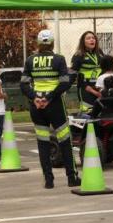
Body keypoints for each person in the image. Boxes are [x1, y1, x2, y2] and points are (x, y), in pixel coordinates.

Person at [21, 30, 80, 189]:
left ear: (38, 44)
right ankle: (71, 177)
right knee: (65, 140)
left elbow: (23, 84)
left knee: (43, 143)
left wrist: (36, 98)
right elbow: (65, 83)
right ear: (52, 43)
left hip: (36, 105)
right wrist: (49, 98)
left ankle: (48, 180)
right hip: (54, 104)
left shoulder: (30, 60)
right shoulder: (58, 59)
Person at [71, 31, 105, 113]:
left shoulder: (99, 53)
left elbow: (105, 70)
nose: (92, 40)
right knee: (88, 114)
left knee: (102, 113)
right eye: (88, 38)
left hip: (99, 88)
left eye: (93, 38)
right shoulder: (78, 55)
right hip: (86, 89)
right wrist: (93, 91)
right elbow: (73, 75)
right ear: (83, 41)